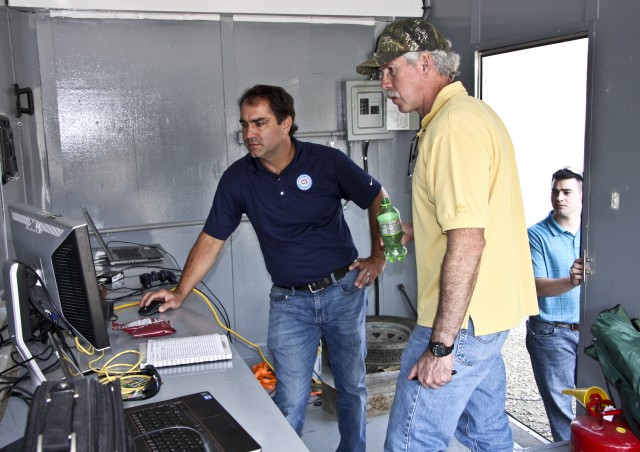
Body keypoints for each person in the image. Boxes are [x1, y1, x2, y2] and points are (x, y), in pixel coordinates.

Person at [140, 84, 387, 451]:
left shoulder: (326, 162)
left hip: (343, 292)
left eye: (259, 123)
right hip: (290, 303)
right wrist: (179, 292)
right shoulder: (239, 178)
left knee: (351, 386)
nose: (249, 134)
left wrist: (378, 256)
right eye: (244, 125)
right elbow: (212, 238)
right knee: (289, 396)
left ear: (286, 123)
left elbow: (377, 197)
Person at [356, 18, 539, 451]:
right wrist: (411, 230)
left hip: (461, 321)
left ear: (424, 63)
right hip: (489, 315)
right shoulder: (473, 114)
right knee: (486, 432)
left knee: (411, 441)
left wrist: (440, 348)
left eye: (390, 70)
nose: (384, 83)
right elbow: (473, 218)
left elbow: (469, 240)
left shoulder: (451, 129)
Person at [526, 167, 584, 442]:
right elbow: (534, 285)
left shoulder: (594, 231)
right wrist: (570, 282)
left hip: (590, 332)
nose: (559, 197)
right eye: (555, 191)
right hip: (550, 333)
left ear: (582, 196)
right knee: (562, 411)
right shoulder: (536, 235)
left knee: (597, 404)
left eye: (567, 191)